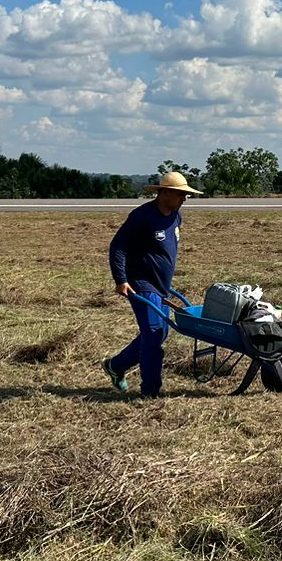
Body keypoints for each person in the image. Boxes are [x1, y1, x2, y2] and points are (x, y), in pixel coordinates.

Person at [103, 170, 203, 397]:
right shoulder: (142, 216)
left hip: (161, 286)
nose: (184, 199)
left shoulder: (176, 216)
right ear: (165, 193)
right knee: (154, 333)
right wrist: (121, 279)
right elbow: (118, 246)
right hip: (141, 283)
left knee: (160, 332)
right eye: (181, 195)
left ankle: (116, 366)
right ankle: (151, 391)